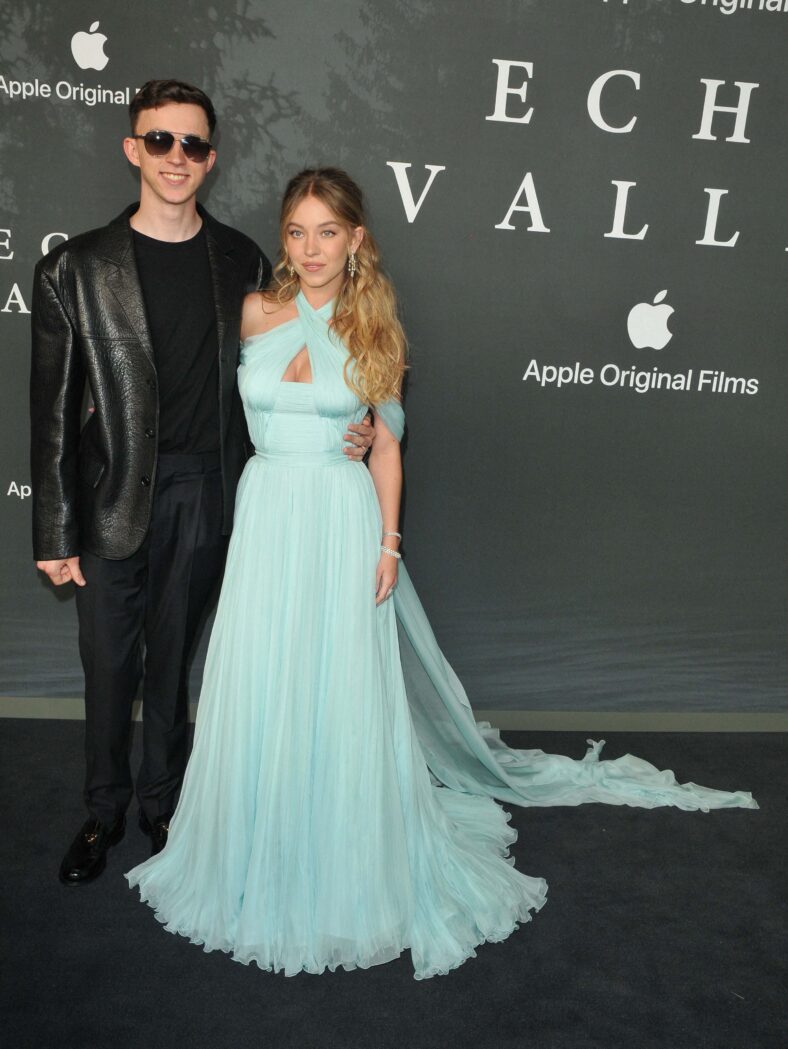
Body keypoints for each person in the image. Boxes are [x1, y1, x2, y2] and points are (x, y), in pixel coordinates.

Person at [126, 167, 756, 979]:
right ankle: (254, 844)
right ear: (283, 238)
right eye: (296, 231)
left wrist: (388, 546)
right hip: (268, 513)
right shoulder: (251, 312)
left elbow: (385, 446)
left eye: (327, 232)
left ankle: (340, 855)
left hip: (340, 521)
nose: (310, 249)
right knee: (263, 679)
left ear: (356, 240)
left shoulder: (372, 327)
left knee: (336, 688)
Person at [30, 83, 376, 887]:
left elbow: (314, 358)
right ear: (133, 149)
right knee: (110, 663)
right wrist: (54, 533)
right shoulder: (73, 269)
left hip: (209, 493)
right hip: (112, 494)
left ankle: (162, 802)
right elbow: (49, 413)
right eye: (160, 141)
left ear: (211, 159)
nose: (176, 158)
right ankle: (104, 810)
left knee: (174, 662)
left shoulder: (244, 263)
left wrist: (350, 427)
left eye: (192, 145)